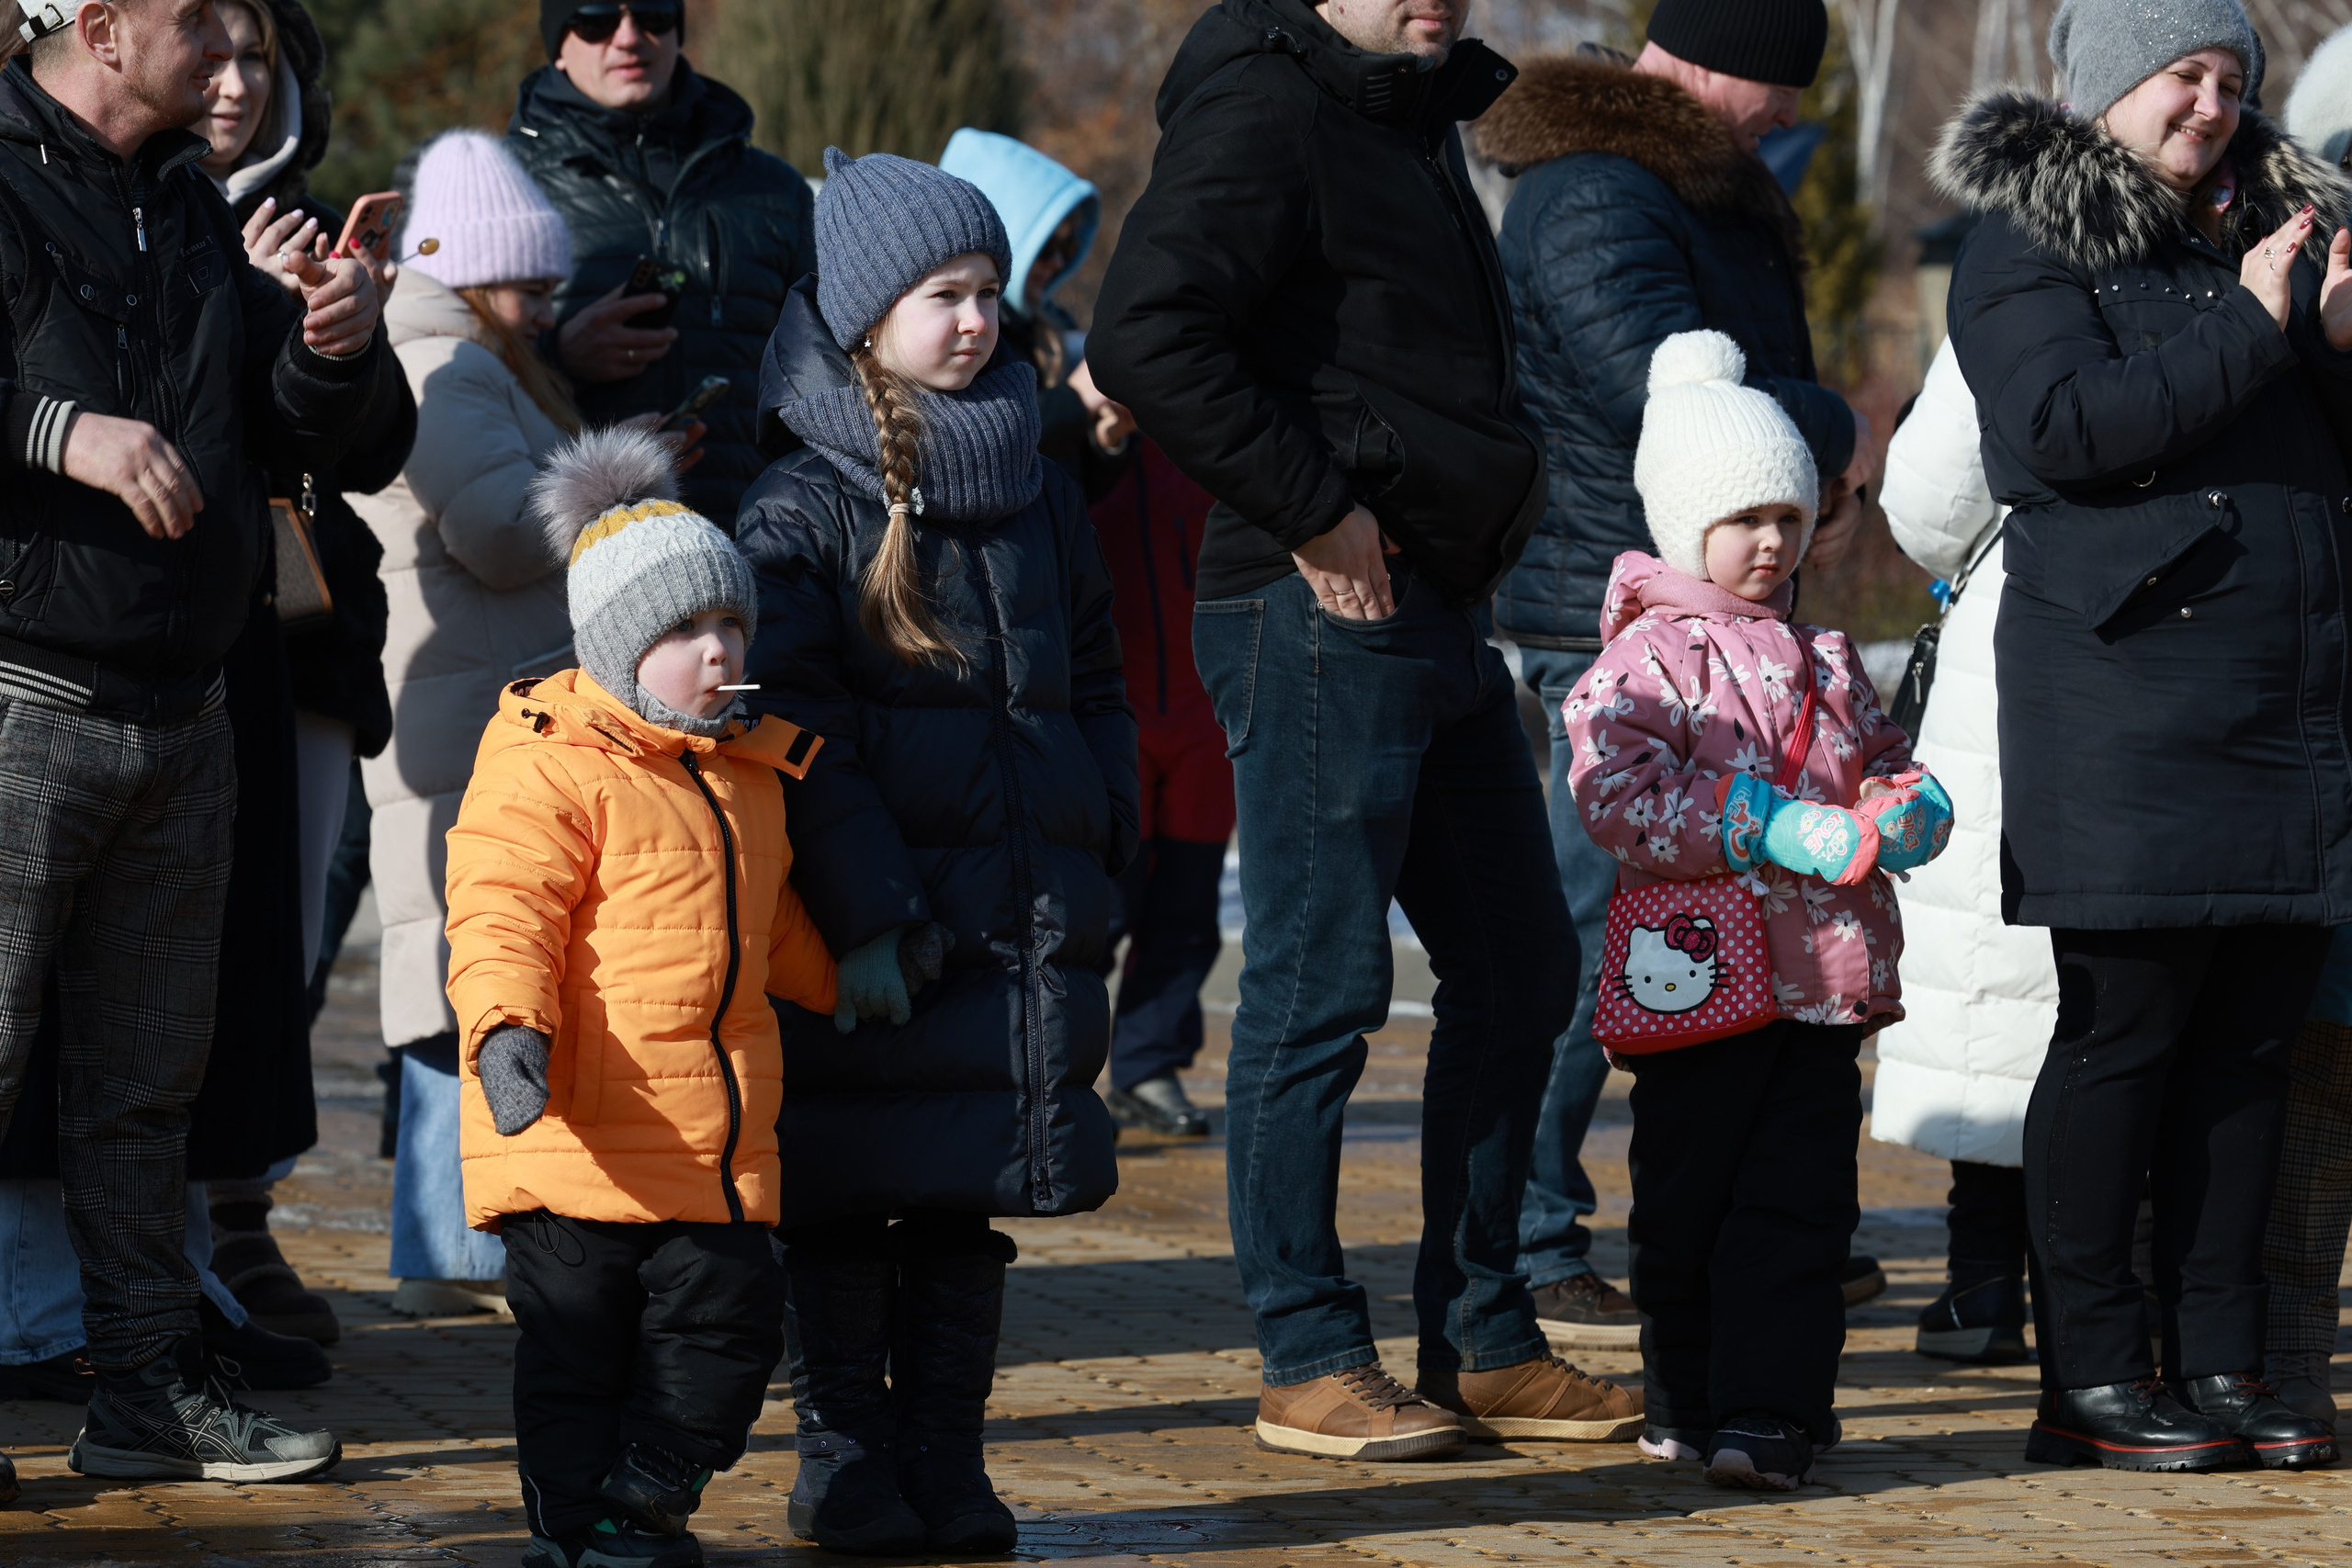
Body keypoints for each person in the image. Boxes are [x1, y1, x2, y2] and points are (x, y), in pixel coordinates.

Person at [1091, 0, 1642, 1461]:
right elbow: (1144, 331)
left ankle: (1480, 1334)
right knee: (1320, 984)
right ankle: (1309, 1350)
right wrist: (1312, 503)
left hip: (1439, 610)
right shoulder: (1271, 105)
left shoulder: (1411, 110)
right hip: (1316, 603)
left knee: (1522, 965)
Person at [1934, 0, 2348, 1471]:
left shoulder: (2279, 241)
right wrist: (2259, 322)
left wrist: (2337, 340)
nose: (2213, 104)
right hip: (2129, 709)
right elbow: (2062, 432)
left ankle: (2224, 1358)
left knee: (2248, 1047)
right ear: (2112, 86)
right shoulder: (2027, 240)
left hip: (2289, 708)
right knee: (2127, 1039)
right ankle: (2093, 1370)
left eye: (2233, 78)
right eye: (2185, 74)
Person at [0, 0, 390, 1492]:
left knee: (147, 1085)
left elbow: (289, 445)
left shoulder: (181, 204)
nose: (243, 56)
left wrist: (329, 350)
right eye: (206, 26)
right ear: (101, 27)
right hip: (23, 700)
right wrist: (60, 432)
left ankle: (150, 1390)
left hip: (185, 714)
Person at [735, 148, 1134, 1554]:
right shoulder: (804, 501)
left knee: (967, 1200)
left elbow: (1091, 670)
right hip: (878, 933)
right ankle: (843, 1451)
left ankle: (946, 1454)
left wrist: (1108, 815)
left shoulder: (1035, 481)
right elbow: (796, 725)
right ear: (863, 316)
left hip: (1018, 907)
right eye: (938, 297)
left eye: (984, 292)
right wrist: (865, 910)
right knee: (849, 1196)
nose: (973, 320)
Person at [1473, 0, 1881, 1343]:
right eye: (1777, 89)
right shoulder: (1599, 189)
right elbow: (1670, 392)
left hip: (1708, 616)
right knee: (1602, 933)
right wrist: (1823, 432)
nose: (1781, 116)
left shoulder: (1683, 178)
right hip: (1621, 619)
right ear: (1722, 62)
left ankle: (1728, 1216)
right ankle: (1531, 1238)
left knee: (1694, 925)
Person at [444, 428, 842, 1568]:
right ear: (617, 647)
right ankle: (579, 1528)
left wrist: (852, 978)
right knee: (576, 1348)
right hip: (570, 1134)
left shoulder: (746, 772)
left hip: (711, 1144)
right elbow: (501, 910)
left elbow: (772, 927)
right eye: (682, 632)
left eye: (730, 625)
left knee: (729, 1328)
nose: (718, 652)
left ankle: (653, 1485)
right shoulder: (549, 761)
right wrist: (506, 1029)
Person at [1563, 330, 1948, 1489]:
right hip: (1700, 987)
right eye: (1744, 522)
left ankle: (1774, 1411)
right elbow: (1612, 789)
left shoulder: (1826, 652)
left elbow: (1874, 750)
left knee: (1800, 1206)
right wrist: (1760, 821)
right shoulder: (1646, 660)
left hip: (1820, 988)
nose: (1772, 542)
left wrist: (1904, 799)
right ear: (1688, 528)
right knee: (1686, 1202)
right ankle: (1685, 1387)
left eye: (1789, 516)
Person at [937, 127, 1228, 1137]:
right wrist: (1079, 422)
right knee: (1089, 903)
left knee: (1187, 905)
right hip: (1089, 681)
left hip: (1190, 686)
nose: (1053, 270)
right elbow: (1005, 470)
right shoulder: (992, 370)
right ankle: (1058, 1064)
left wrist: (1097, 429)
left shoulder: (1086, 355)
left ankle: (1151, 1059)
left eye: (1066, 249)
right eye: (1040, 248)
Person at [192, 0, 410, 1349]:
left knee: (276, 953)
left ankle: (237, 1215)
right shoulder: (104, 201)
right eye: (209, 52)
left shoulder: (318, 221)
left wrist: (341, 331)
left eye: (258, 58)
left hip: (303, 637)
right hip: (131, 647)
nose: (231, 84)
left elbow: (366, 455)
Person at [351, 130, 583, 1320]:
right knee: (456, 973)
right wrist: (616, 497)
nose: (549, 308)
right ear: (473, 268)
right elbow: (497, 527)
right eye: (530, 284)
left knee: (456, 962)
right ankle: (447, 1248)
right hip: (468, 724)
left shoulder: (458, 355)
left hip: (473, 710)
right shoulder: (443, 359)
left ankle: (453, 1243)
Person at [1871, 338, 2052, 1368]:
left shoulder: (2024, 253)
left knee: (1996, 987)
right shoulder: (2270, 258)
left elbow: (1933, 504)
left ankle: (1981, 1286)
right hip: (2216, 653)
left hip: (2020, 635)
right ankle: (2141, 1298)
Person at [506, 0, 815, 521]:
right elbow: (450, 382)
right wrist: (558, 359)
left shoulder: (776, 189)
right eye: (596, 17)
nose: (629, 37)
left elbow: (830, 372)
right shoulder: (500, 187)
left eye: (652, 13)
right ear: (558, 42)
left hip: (762, 548)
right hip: (574, 563)